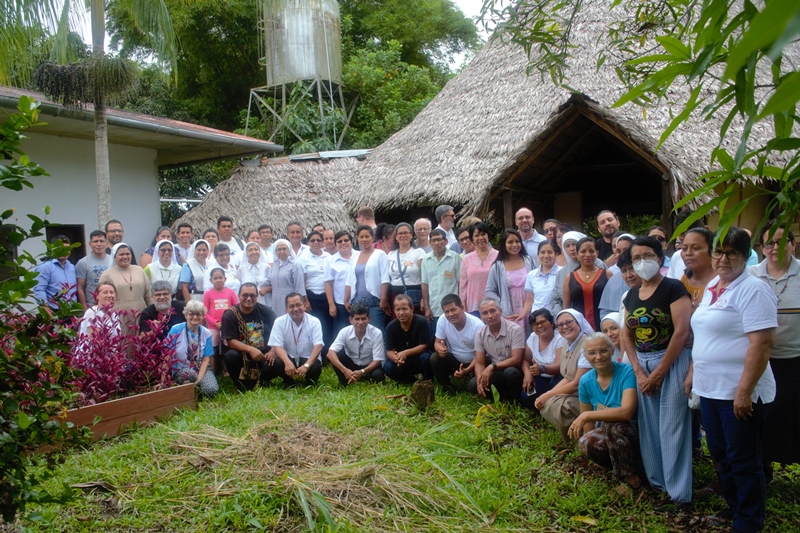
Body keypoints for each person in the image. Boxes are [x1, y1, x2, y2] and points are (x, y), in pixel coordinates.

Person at [690, 227, 778, 532]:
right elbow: (705, 335)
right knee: (721, 455)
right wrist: (694, 375)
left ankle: (749, 522)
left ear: (745, 255)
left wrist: (744, 392)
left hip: (739, 393)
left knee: (743, 459)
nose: (723, 258)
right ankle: (735, 508)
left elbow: (763, 343)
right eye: (718, 251)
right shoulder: (715, 284)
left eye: (732, 252)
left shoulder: (753, 289)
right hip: (710, 390)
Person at [621, 235, 693, 505]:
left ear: (660, 258)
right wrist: (639, 372)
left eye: (647, 256)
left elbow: (682, 331)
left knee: (672, 426)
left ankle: (678, 494)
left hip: (671, 361)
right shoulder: (631, 295)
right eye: (636, 258)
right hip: (643, 361)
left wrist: (660, 372)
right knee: (649, 426)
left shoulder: (673, 288)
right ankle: (657, 483)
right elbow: (627, 335)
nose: (642, 262)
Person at [750, 223, 800, 469]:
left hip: (794, 359)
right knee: (763, 417)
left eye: (781, 242)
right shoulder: (750, 276)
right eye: (769, 243)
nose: (775, 248)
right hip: (760, 359)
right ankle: (764, 469)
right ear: (761, 247)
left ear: (792, 243)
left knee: (792, 417)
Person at [568, 332, 641, 486]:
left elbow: (626, 412)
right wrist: (591, 450)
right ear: (585, 355)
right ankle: (617, 467)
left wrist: (588, 415)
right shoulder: (585, 381)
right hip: (608, 432)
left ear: (612, 350)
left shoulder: (626, 372)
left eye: (603, 350)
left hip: (634, 431)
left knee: (615, 427)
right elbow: (588, 426)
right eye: (592, 353)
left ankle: (630, 478)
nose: (598, 357)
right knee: (586, 442)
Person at [534, 309, 594, 442]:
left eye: (569, 322)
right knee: (546, 402)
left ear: (578, 323)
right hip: (575, 390)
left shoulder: (587, 345)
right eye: (560, 325)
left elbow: (577, 382)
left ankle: (580, 437)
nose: (565, 327)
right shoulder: (567, 344)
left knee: (560, 406)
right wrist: (548, 393)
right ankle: (573, 433)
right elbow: (567, 377)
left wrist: (548, 394)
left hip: (588, 395)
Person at [221, 283, 282, 391]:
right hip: (243, 357)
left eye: (252, 295)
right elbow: (231, 341)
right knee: (230, 356)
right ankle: (239, 383)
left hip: (264, 355)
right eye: (245, 295)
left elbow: (279, 331)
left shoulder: (266, 311)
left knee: (278, 362)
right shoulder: (230, 315)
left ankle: (262, 379)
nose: (249, 298)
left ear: (257, 297)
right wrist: (251, 350)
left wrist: (273, 350)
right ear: (239, 296)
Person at [468, 298, 525, 403]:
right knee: (473, 384)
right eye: (485, 313)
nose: (490, 316)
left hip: (514, 370)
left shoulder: (515, 330)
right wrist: (480, 380)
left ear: (501, 311)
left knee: (510, 372)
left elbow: (516, 359)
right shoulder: (480, 334)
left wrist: (492, 366)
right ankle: (504, 398)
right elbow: (480, 362)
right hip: (497, 371)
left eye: (493, 311)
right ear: (481, 317)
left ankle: (517, 399)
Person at [267, 293, 324, 385]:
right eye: (291, 306)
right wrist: (287, 362)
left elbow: (318, 346)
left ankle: (309, 382)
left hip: (307, 357)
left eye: (298, 305)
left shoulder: (314, 321)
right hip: (290, 357)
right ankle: (289, 382)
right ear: (286, 309)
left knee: (315, 366)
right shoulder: (279, 322)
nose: (296, 309)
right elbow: (278, 346)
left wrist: (306, 366)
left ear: (304, 305)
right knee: (278, 362)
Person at [431, 294, 484, 392]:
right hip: (454, 361)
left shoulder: (477, 325)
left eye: (453, 309)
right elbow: (437, 342)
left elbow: (480, 355)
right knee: (435, 357)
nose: (450, 314)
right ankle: (447, 386)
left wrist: (467, 371)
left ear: (462, 308)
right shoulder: (442, 320)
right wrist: (440, 349)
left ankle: (472, 378)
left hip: (474, 363)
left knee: (472, 386)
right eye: (447, 311)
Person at [344, 225, 391, 334]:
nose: (364, 239)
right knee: (360, 333)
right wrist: (346, 300)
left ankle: (380, 352)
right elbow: (349, 280)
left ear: (372, 238)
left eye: (367, 236)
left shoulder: (380, 254)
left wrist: (383, 299)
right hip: (357, 301)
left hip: (374, 300)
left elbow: (385, 279)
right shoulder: (355, 256)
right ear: (358, 239)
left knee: (378, 333)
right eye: (361, 237)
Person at [486, 229, 536, 329]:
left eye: (517, 241)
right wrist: (501, 304)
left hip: (530, 305)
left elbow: (537, 282)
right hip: (509, 310)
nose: (514, 245)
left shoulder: (529, 261)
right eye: (510, 242)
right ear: (504, 244)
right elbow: (489, 291)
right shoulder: (497, 266)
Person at [326, 303, 386, 385]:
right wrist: (345, 370)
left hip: (368, 366)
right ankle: (346, 378)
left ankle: (360, 377)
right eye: (357, 319)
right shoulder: (344, 331)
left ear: (369, 319)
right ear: (350, 320)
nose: (360, 322)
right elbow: (330, 353)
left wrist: (362, 371)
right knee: (338, 355)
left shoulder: (376, 333)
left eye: (363, 319)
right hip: (350, 365)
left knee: (378, 375)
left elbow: (377, 360)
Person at [167, 300, 218, 397]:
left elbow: (206, 359)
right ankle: (191, 392)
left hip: (201, 367)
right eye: (191, 314)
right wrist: (163, 378)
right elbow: (167, 354)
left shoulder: (206, 333)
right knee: (191, 375)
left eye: (199, 314)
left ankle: (195, 390)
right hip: (181, 368)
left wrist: (199, 380)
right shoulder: (176, 329)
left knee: (211, 390)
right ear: (185, 315)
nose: (195, 317)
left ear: (203, 316)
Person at [99, 243, 153, 334]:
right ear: (114, 256)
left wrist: (152, 312)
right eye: (121, 254)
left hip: (141, 311)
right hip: (119, 314)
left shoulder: (139, 270)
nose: (125, 257)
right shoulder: (107, 274)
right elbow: (102, 297)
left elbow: (148, 295)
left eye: (127, 254)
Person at [550, 231, 607, 314]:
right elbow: (555, 299)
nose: (571, 248)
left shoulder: (600, 265)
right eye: (567, 246)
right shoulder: (561, 273)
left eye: (574, 244)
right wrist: (561, 316)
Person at [563, 237, 613, 330]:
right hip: (579, 328)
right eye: (583, 251)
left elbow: (613, 303)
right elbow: (566, 308)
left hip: (603, 326)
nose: (587, 254)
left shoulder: (607, 274)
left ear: (597, 253)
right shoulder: (570, 278)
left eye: (591, 251)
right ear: (577, 254)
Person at [382, 294, 433, 384]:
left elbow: (425, 346)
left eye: (404, 309)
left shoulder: (422, 322)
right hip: (402, 362)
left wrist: (406, 353)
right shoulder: (390, 327)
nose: (401, 313)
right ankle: (409, 381)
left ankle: (428, 381)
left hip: (419, 358)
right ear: (394, 311)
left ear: (412, 309)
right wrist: (396, 359)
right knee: (388, 367)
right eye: (398, 309)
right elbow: (389, 351)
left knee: (426, 358)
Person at [521, 309, 567, 406]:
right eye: (535, 324)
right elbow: (525, 360)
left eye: (542, 322)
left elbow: (559, 366)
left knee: (552, 399)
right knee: (526, 398)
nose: (539, 326)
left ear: (551, 322)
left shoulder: (560, 339)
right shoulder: (533, 337)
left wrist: (541, 368)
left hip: (557, 376)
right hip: (540, 376)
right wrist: (527, 373)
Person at [297, 231, 332, 347]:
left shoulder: (328, 256)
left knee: (328, 323)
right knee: (315, 324)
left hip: (328, 296)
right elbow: (302, 281)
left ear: (323, 242)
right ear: (308, 242)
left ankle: (327, 351)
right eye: (312, 240)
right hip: (311, 296)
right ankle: (316, 351)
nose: (316, 242)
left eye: (318, 240)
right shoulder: (303, 258)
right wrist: (305, 300)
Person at [421, 228, 462, 328]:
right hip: (434, 308)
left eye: (439, 240)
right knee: (437, 338)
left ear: (446, 241)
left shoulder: (455, 258)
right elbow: (425, 284)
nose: (437, 243)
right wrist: (427, 308)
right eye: (433, 240)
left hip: (452, 308)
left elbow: (460, 283)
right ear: (430, 243)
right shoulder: (426, 259)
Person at [325, 230, 359, 339]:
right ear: (335, 244)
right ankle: (341, 356)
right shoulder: (331, 260)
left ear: (351, 241)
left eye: (346, 240)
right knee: (342, 333)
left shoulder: (360, 256)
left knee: (360, 330)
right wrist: (331, 304)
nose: (343, 243)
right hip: (341, 304)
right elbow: (328, 284)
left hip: (359, 300)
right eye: (339, 241)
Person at [459, 222, 498, 317]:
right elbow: (463, 284)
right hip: (473, 306)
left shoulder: (498, 256)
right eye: (476, 235)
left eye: (483, 234)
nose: (480, 238)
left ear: (488, 235)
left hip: (494, 305)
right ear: (472, 239)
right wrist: (462, 303)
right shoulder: (467, 259)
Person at [387, 222, 426, 313]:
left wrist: (424, 299)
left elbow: (425, 277)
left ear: (411, 235)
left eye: (406, 233)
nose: (403, 235)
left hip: (414, 295)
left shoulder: (419, 252)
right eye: (400, 233)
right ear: (396, 237)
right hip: (395, 295)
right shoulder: (391, 254)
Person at [203, 267, 239, 359]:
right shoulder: (208, 294)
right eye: (215, 278)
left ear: (225, 279)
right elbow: (205, 312)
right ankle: (214, 367)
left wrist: (227, 322)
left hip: (227, 325)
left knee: (227, 346)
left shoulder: (230, 293)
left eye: (220, 277)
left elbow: (236, 309)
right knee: (213, 347)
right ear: (211, 280)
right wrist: (215, 323)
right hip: (213, 326)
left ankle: (225, 366)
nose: (218, 280)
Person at [265, 239, 305, 317]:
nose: (282, 252)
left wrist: (299, 303)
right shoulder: (274, 265)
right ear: (275, 251)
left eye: (284, 249)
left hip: (290, 299)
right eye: (279, 249)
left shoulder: (295, 265)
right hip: (275, 299)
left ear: (289, 250)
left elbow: (299, 287)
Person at [34, 235, 77, 307]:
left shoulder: (72, 267)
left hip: (71, 312)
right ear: (53, 249)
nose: (64, 251)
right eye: (61, 248)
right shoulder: (45, 267)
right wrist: (45, 308)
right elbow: (39, 290)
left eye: (67, 248)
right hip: (54, 311)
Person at [680, 228, 716, 309]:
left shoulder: (720, 282)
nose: (688, 253)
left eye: (695, 248)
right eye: (684, 249)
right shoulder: (684, 280)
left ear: (711, 251)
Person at [76, 230, 112, 308]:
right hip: (92, 306)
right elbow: (80, 288)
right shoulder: (83, 263)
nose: (99, 244)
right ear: (90, 244)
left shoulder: (113, 260)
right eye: (95, 241)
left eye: (102, 241)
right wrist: (84, 309)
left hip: (111, 306)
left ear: (107, 244)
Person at [524, 240, 560, 313]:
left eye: (550, 252)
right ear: (538, 254)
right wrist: (521, 315)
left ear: (556, 254)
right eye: (542, 252)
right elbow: (529, 300)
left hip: (555, 316)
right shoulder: (531, 275)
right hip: (537, 318)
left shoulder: (562, 272)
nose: (546, 256)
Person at [238, 242, 270, 307]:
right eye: (250, 250)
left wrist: (267, 289)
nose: (254, 252)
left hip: (265, 302)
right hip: (248, 303)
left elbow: (275, 286)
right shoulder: (241, 269)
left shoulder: (266, 267)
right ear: (246, 253)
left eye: (256, 249)